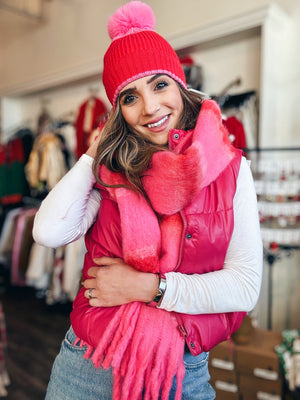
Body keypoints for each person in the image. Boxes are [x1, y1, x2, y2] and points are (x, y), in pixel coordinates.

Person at [33, 2, 263, 399]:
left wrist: (148, 288)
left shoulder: (230, 169)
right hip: (87, 364)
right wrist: (95, 150)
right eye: (129, 97)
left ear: (180, 85)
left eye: (159, 85)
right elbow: (48, 231)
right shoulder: (110, 172)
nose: (150, 108)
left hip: (182, 370)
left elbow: (243, 286)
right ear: (117, 110)